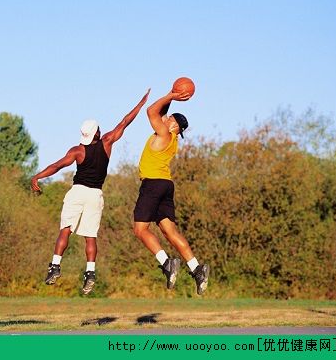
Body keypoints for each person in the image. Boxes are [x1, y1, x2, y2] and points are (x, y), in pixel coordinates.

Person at [31, 89, 150, 295]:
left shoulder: (78, 150)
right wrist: (140, 104)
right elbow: (124, 122)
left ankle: (55, 267)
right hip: (95, 194)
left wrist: (37, 176)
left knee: (65, 230)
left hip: (77, 192)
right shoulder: (107, 143)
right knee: (90, 237)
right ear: (97, 132)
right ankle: (90, 273)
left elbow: (58, 166)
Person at [132, 90, 210, 295]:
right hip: (166, 185)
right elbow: (161, 112)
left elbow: (151, 111)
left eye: (169, 119)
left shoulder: (164, 133)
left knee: (140, 230)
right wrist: (171, 99)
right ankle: (196, 268)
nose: (164, 118)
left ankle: (166, 263)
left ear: (174, 125)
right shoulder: (173, 138)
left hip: (153, 184)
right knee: (170, 231)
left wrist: (170, 94)